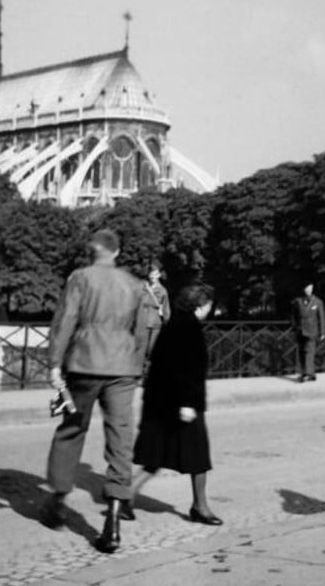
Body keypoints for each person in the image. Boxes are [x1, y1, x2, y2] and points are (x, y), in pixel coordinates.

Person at [39, 228, 148, 554]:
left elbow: (66, 320)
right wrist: (136, 364)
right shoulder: (135, 284)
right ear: (116, 252)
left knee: (70, 429)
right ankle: (113, 518)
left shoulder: (80, 277)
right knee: (121, 438)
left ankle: (58, 501)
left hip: (82, 364)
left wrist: (54, 362)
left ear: (92, 252)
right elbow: (142, 331)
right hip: (123, 367)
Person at [130, 283, 223, 526]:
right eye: (209, 305)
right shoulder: (190, 329)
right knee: (198, 455)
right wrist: (187, 403)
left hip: (160, 402)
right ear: (201, 306)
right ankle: (200, 507)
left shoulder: (173, 324)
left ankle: (125, 496)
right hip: (182, 403)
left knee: (157, 455)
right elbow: (186, 370)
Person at [291, 282, 325, 382]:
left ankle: (308, 373)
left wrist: (322, 332)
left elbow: (321, 318)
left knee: (309, 352)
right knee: (302, 352)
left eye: (310, 288)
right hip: (300, 330)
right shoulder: (298, 301)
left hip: (312, 330)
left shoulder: (317, 302)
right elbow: (294, 315)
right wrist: (295, 326)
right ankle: (307, 373)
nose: (308, 290)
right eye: (307, 288)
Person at [141, 261, 171, 374]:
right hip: (143, 321)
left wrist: (167, 323)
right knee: (142, 349)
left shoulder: (162, 291)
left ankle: (147, 373)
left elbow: (166, 308)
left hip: (155, 323)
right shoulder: (143, 288)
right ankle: (141, 373)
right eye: (151, 274)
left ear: (159, 275)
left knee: (151, 349)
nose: (153, 276)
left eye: (155, 274)